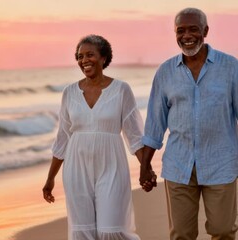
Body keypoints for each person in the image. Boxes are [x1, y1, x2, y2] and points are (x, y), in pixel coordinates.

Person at [139, 7, 238, 240]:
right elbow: (154, 124)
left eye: (193, 29)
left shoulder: (230, 66)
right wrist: (145, 164)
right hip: (179, 165)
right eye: (180, 30)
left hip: (220, 163)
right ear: (175, 33)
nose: (186, 36)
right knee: (181, 235)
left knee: (222, 231)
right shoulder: (166, 72)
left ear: (205, 31)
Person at [42, 34, 154, 240]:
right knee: (82, 232)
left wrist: (146, 168)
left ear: (104, 58)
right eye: (79, 56)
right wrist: (50, 178)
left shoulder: (121, 90)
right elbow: (62, 139)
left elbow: (135, 134)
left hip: (111, 166)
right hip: (76, 168)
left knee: (111, 231)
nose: (84, 60)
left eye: (90, 54)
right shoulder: (69, 93)